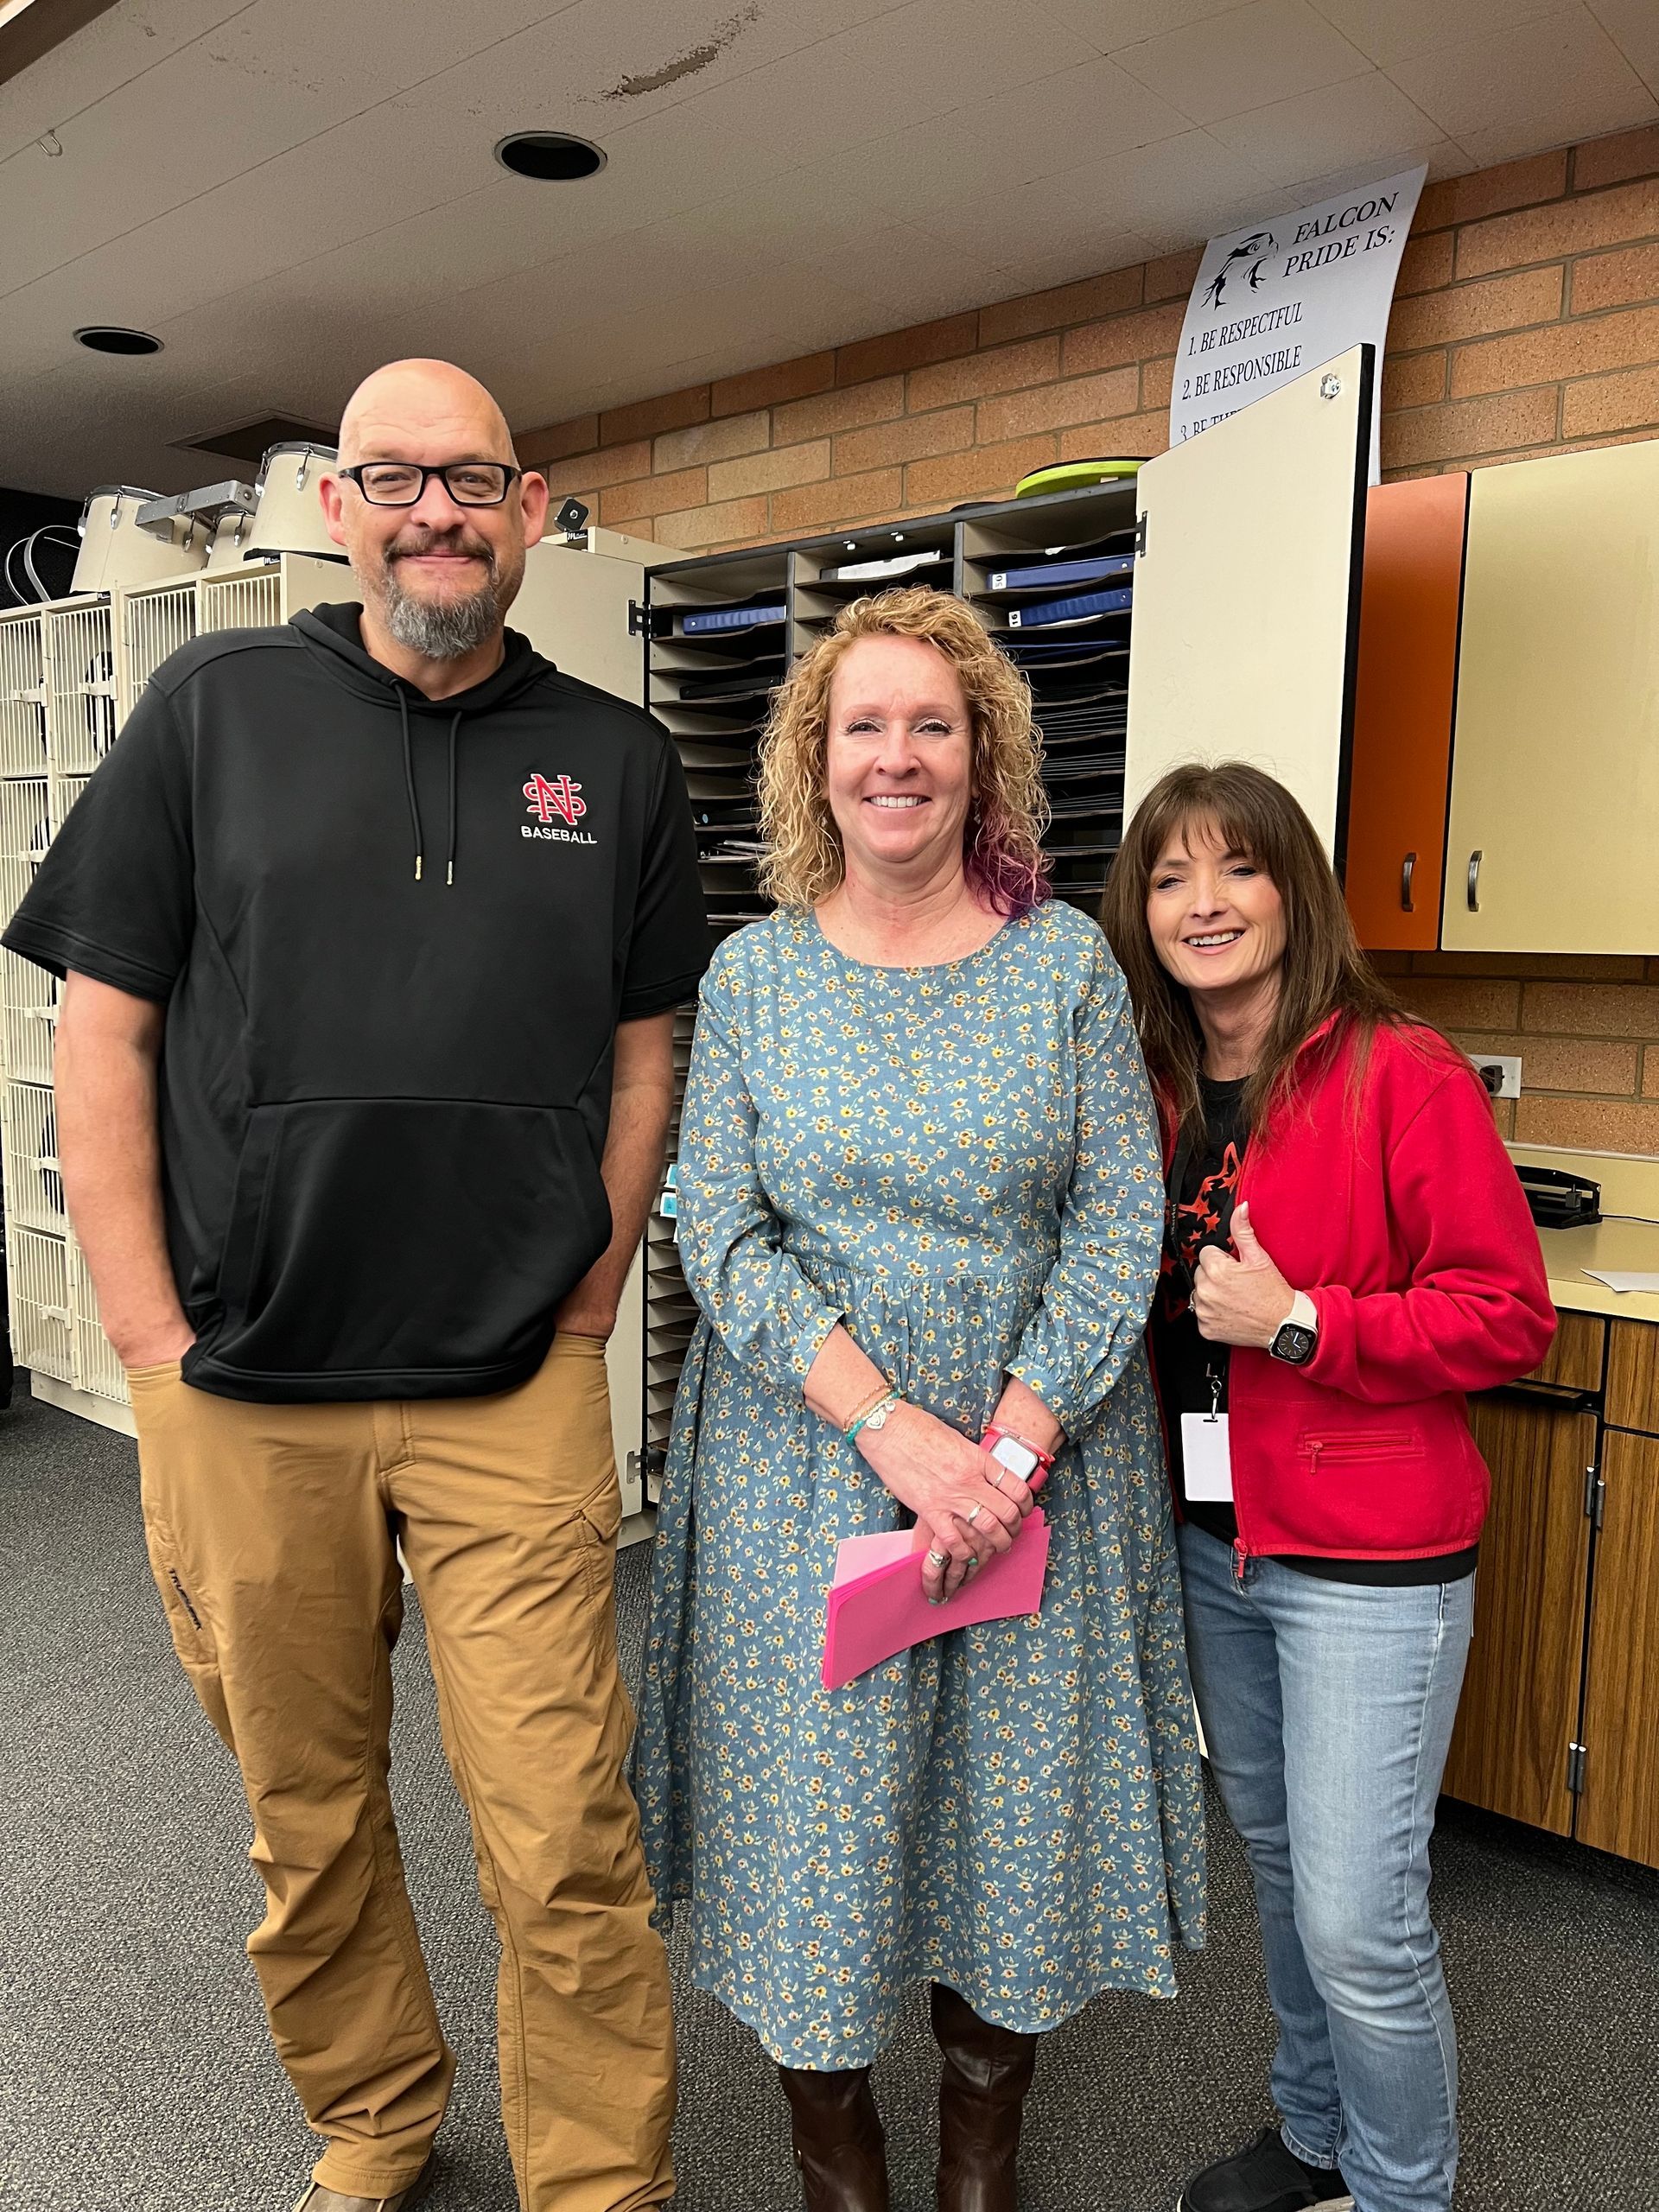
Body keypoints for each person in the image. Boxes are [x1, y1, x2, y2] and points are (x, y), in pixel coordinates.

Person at [3, 359, 709, 2212]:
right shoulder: (211, 710)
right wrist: (151, 1343)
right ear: (340, 509)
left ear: (532, 505)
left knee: (562, 1828)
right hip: (246, 1385)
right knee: (308, 1820)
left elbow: (649, 1053)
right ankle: (379, 2109)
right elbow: (103, 1027)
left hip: (512, 1381)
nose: (436, 514)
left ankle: (599, 2183)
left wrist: (591, 1286)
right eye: (394, 478)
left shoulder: (621, 761)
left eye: (473, 479)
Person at [632, 587, 1204, 2212]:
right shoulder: (749, 978)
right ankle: (837, 2159)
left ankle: (980, 2160)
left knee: (1000, 1829)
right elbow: (718, 1228)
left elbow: (1115, 1223)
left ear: (984, 758)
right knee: (814, 1832)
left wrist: (1005, 1452)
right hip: (804, 1474)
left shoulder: (1067, 967)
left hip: (1040, 1481)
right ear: (815, 766)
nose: (899, 758)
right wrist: (892, 1429)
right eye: (863, 727)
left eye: (932, 726)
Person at [1099, 763, 1554, 2212]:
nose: (1204, 903)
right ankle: (1315, 2143)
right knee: (1286, 1876)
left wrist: (1306, 1322)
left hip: (1368, 1559)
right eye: (1170, 878)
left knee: (1363, 1920)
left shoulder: (1394, 1069)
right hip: (1219, 1544)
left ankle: (1405, 2192)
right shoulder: (1153, 1081)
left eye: (1236, 869)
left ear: (1293, 890)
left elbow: (1507, 1311)